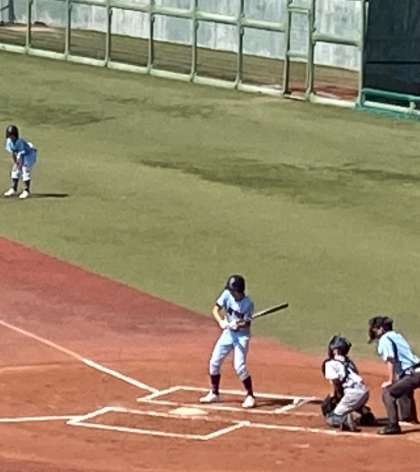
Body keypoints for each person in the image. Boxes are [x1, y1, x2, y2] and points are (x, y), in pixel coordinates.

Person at [200, 274, 256, 409]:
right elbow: (215, 309)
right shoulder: (226, 295)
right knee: (214, 362)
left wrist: (238, 324)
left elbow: (247, 323)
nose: (230, 292)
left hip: (241, 337)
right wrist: (222, 322)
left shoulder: (248, 304)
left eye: (232, 290)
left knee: (239, 366)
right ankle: (214, 393)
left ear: (238, 291)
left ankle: (250, 396)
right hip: (228, 334)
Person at [368, 315, 420, 435]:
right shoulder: (396, 335)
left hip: (414, 373)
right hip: (415, 370)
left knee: (389, 393)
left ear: (381, 329)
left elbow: (390, 359)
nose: (373, 331)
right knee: (402, 386)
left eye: (375, 328)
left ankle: (393, 426)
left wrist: (390, 380)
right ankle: (408, 418)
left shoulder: (385, 339)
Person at [321, 335, 371, 432]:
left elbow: (335, 383)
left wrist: (333, 397)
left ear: (335, 350)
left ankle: (346, 421)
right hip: (364, 391)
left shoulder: (330, 364)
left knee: (332, 418)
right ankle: (365, 414)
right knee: (348, 400)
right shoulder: (349, 362)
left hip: (352, 393)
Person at [3, 124, 37, 199]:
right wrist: (16, 164)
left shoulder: (20, 142)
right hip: (20, 155)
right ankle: (13, 188)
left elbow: (21, 155)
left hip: (29, 155)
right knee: (15, 170)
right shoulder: (9, 142)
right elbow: (13, 153)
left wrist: (19, 165)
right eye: (10, 136)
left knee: (25, 169)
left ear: (16, 135)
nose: (11, 138)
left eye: (13, 136)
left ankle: (26, 191)